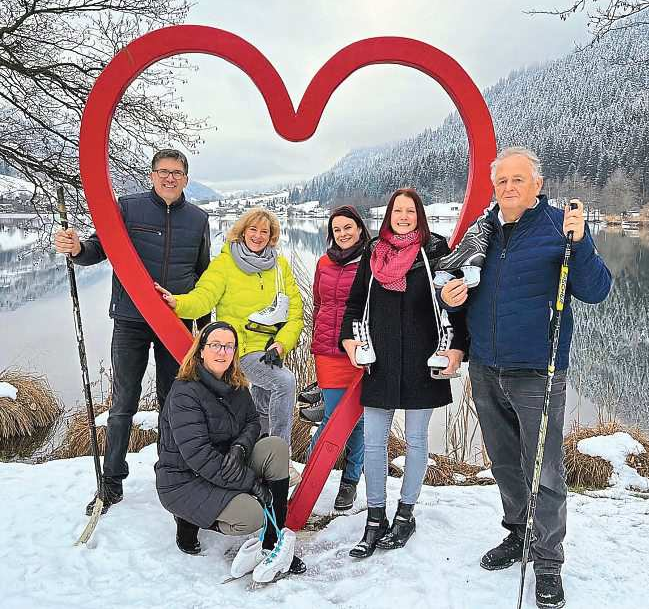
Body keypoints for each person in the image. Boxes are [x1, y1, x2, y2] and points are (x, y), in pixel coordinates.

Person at [440, 146, 612, 609]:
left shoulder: (561, 227)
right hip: (486, 365)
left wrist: (583, 244)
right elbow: (463, 294)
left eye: (518, 180)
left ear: (537, 184)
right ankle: (518, 533)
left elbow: (596, 291)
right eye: (502, 182)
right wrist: (454, 296)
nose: (509, 189)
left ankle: (548, 561)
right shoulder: (484, 232)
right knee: (504, 462)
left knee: (546, 472)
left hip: (538, 368)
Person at [54, 148, 211, 515]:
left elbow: (203, 278)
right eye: (163, 171)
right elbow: (98, 248)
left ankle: (170, 472)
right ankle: (111, 480)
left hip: (175, 323)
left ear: (186, 178)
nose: (169, 178)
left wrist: (204, 331)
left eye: (177, 172)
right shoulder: (128, 207)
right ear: (152, 175)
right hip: (130, 319)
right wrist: (77, 249)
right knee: (124, 401)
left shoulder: (198, 219)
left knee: (174, 401)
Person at [340, 188, 466, 558]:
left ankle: (406, 514)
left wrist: (458, 348)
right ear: (389, 214)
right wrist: (350, 342)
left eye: (411, 211)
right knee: (375, 441)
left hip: (422, 360)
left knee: (415, 440)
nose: (404, 216)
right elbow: (353, 305)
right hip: (379, 361)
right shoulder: (372, 251)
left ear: (420, 215)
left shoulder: (436, 252)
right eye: (398, 210)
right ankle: (375, 517)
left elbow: (456, 305)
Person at [155, 320, 305, 578]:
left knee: (276, 448)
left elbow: (252, 422)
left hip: (226, 464)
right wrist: (250, 483)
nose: (222, 351)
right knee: (251, 514)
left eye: (229, 346)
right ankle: (189, 518)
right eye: (215, 345)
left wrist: (239, 447)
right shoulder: (184, 394)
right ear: (201, 350)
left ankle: (272, 543)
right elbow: (200, 458)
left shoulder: (236, 386)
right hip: (184, 480)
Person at [157, 208, 303, 451]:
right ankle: (280, 454)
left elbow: (295, 314)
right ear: (242, 232)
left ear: (272, 236)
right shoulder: (225, 264)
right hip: (240, 350)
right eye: (253, 229)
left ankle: (260, 455)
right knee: (284, 382)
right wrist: (177, 303)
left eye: (264, 232)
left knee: (263, 404)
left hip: (271, 351)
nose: (258, 236)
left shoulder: (280, 266)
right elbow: (203, 298)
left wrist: (281, 344)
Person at [308, 205, 371, 511]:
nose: (343, 234)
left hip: (357, 352)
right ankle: (311, 473)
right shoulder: (323, 262)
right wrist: (316, 337)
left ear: (360, 229)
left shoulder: (372, 262)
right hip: (327, 352)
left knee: (356, 420)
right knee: (334, 417)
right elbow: (318, 303)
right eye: (337, 229)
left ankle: (349, 481)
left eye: (348, 227)